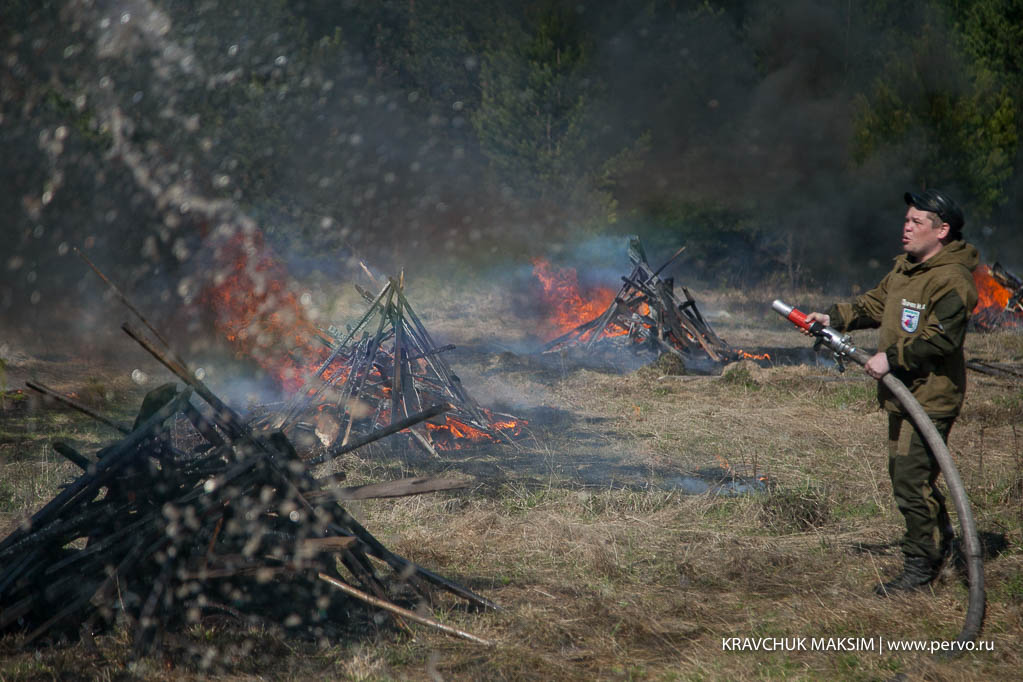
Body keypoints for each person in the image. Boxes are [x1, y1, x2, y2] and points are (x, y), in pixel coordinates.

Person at [805, 189, 978, 596]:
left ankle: (921, 567)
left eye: (916, 222)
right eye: (906, 220)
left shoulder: (952, 279)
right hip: (904, 394)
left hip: (930, 396)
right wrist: (834, 318)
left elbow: (941, 340)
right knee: (909, 477)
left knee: (911, 481)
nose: (906, 227)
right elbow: (874, 305)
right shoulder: (906, 269)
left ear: (942, 231)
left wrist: (892, 358)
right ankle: (939, 545)